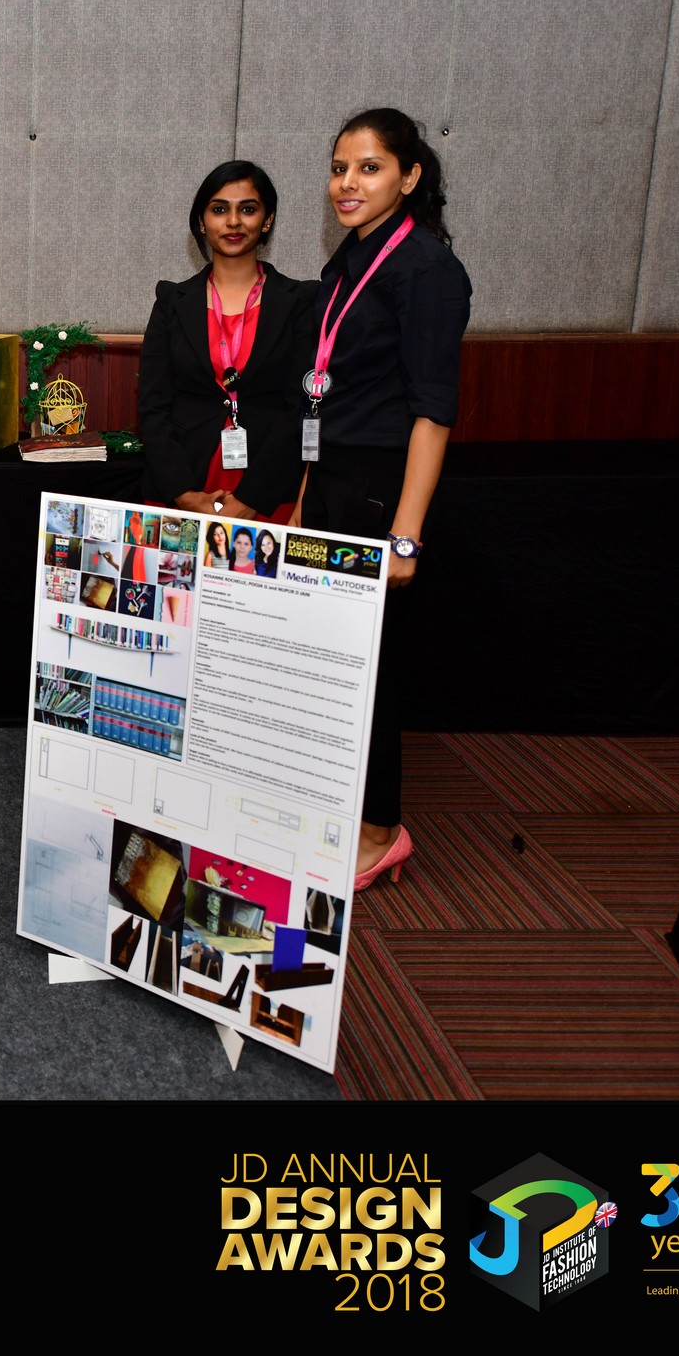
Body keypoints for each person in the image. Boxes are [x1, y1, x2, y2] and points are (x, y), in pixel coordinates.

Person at [203, 107, 472, 890]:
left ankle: (381, 830)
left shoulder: (426, 269)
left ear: (410, 176)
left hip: (382, 490)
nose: (347, 184)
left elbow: (433, 410)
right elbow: (327, 397)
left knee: (370, 667)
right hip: (335, 481)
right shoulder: (351, 261)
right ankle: (333, 808)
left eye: (369, 168)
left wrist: (408, 535)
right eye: (339, 168)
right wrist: (304, 494)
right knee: (325, 660)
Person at [137, 161, 320, 517]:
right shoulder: (172, 302)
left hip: (269, 492)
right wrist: (183, 493)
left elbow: (299, 408)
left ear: (266, 220)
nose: (233, 222)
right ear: (202, 222)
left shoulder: (301, 301)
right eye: (219, 209)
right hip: (182, 488)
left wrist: (251, 500)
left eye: (248, 209)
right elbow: (153, 407)